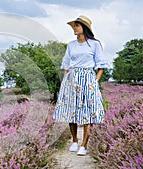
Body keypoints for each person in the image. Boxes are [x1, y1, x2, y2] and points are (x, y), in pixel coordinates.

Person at [53, 15, 109, 156]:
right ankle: (74, 140)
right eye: (74, 26)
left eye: (77, 25)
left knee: (88, 112)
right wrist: (66, 81)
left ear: (84, 27)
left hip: (88, 79)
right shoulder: (71, 45)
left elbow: (101, 65)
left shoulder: (95, 44)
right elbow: (66, 64)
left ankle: (84, 145)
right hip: (72, 78)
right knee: (71, 111)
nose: (74, 28)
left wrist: (95, 81)